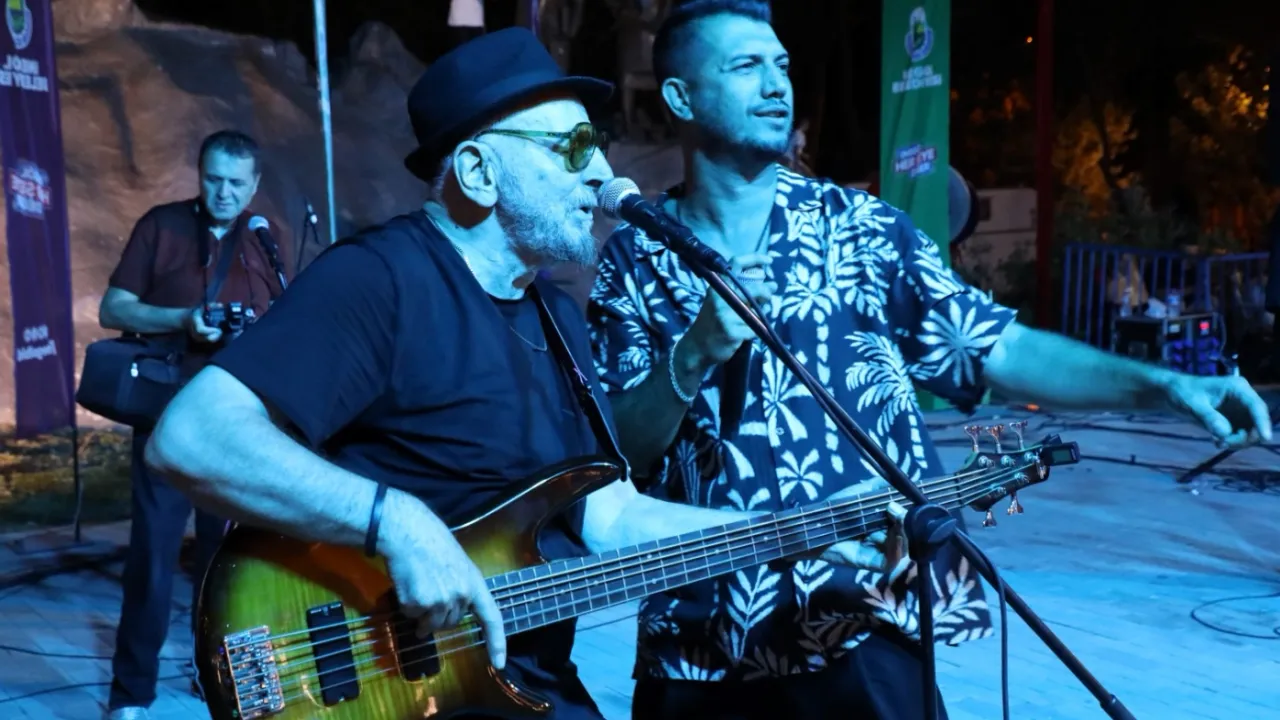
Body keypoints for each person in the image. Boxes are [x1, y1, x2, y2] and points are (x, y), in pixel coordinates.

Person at [142, 28, 879, 720]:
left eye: (599, 146)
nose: (605, 173)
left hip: (520, 686)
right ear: (478, 171)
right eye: (575, 147)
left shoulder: (557, 319)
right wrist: (396, 523)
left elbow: (614, 519)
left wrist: (797, 531)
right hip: (387, 686)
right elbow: (192, 437)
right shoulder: (382, 280)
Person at [585, 3, 1274, 719]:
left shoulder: (863, 230)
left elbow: (999, 347)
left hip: (866, 620)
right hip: (703, 641)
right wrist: (693, 354)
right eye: (745, 66)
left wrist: (1166, 385)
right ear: (681, 97)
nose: (775, 84)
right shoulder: (635, 260)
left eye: (782, 64)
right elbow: (619, 451)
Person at [98, 129, 291, 720]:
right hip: (167, 416)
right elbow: (113, 307)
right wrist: (183, 318)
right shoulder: (162, 226)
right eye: (213, 179)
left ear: (255, 186)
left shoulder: (266, 239)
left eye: (236, 183)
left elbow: (284, 316)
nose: (223, 192)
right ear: (199, 175)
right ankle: (132, 695)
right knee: (152, 559)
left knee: (228, 561)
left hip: (236, 424)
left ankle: (217, 681)